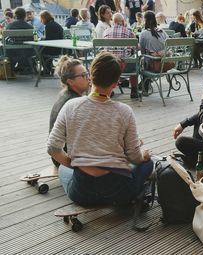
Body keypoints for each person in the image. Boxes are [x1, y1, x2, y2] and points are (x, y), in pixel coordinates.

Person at [47, 51, 153, 207]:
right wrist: (142, 156)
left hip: (81, 192)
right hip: (118, 191)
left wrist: (76, 163)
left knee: (63, 169)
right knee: (148, 164)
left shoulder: (70, 106)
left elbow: (52, 148)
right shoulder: (124, 111)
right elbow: (134, 157)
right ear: (116, 83)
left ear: (90, 76)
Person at [49, 56, 91, 167]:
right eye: (83, 75)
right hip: (65, 158)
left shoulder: (65, 95)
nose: (89, 78)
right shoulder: (74, 102)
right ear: (71, 82)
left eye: (87, 73)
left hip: (62, 155)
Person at [103, 13, 139, 99]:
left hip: (109, 66)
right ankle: (134, 90)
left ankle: (109, 90)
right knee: (134, 62)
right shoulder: (128, 31)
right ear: (123, 21)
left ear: (112, 21)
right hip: (125, 66)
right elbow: (136, 47)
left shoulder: (106, 31)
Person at [139, 10, 168, 94]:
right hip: (167, 64)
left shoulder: (143, 34)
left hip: (154, 66)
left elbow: (143, 52)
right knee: (147, 58)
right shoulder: (162, 32)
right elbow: (168, 46)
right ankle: (144, 84)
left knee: (143, 60)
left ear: (145, 20)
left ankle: (145, 88)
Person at [6, 7, 35, 74]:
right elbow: (34, 38)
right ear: (25, 16)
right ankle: (25, 67)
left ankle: (10, 69)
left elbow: (6, 39)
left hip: (13, 52)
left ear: (15, 16)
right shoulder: (31, 26)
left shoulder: (10, 26)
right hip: (27, 52)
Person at [40, 10, 64, 75]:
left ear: (44, 18)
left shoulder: (48, 26)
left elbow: (48, 40)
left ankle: (46, 69)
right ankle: (49, 68)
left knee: (39, 51)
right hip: (59, 48)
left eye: (41, 19)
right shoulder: (56, 24)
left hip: (53, 49)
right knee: (43, 49)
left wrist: (41, 39)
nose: (41, 21)